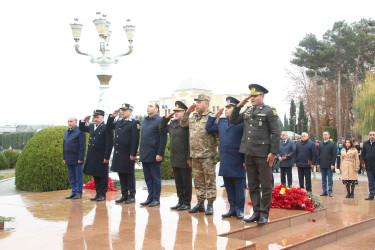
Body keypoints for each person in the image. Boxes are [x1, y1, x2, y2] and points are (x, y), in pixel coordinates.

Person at [230, 84, 280, 225]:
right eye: (251, 96)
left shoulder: (269, 111)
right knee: (252, 185)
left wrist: (273, 152)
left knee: (265, 185)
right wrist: (239, 105)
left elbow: (276, 132)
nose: (252, 98)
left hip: (263, 154)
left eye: (255, 96)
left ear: (262, 96)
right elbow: (233, 120)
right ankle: (256, 212)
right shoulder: (247, 111)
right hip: (249, 153)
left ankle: (264, 213)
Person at [206, 97, 246, 220]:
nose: (226, 109)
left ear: (235, 109)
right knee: (228, 186)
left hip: (238, 158)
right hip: (225, 158)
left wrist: (245, 159)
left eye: (229, 107)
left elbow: (245, 141)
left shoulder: (242, 122)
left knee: (239, 186)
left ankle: (240, 209)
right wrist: (214, 116)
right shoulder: (222, 121)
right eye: (226, 107)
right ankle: (232, 208)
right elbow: (209, 128)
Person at [180, 94, 218, 215]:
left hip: (208, 155)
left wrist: (218, 154)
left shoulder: (213, 117)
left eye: (199, 102)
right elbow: (183, 124)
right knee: (198, 180)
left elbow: (218, 137)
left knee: (210, 181)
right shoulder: (193, 116)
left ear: (206, 104)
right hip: (195, 155)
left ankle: (210, 204)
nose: (196, 104)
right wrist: (187, 112)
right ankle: (200, 203)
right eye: (196, 102)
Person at [159, 101, 192, 211]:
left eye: (178, 111)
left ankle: (187, 202)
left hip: (184, 158)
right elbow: (162, 128)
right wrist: (167, 118)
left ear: (184, 113)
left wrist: (189, 158)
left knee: (185, 182)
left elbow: (189, 142)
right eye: (175, 111)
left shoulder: (187, 124)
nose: (176, 113)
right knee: (178, 182)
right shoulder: (173, 124)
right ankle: (180, 201)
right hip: (174, 157)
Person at [107, 103, 140, 204]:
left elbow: (135, 139)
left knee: (129, 175)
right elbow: (108, 126)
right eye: (122, 110)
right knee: (121, 174)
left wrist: (133, 154)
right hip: (118, 153)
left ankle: (132, 196)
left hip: (127, 154)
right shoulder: (119, 121)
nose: (123, 112)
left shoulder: (134, 123)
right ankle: (124, 195)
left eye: (125, 110)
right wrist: (112, 117)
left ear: (130, 111)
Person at [79, 110, 113, 201]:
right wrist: (83, 120)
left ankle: (102, 194)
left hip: (101, 155)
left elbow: (109, 143)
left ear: (102, 117)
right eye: (95, 117)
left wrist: (107, 156)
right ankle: (98, 193)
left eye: (98, 117)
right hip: (93, 155)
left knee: (103, 175)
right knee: (95, 175)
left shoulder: (106, 127)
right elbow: (81, 128)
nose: (96, 119)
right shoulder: (91, 126)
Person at [139, 103, 167, 207]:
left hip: (154, 154)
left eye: (150, 106)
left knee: (155, 178)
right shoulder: (145, 120)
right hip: (145, 154)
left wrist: (160, 153)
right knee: (148, 178)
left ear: (156, 109)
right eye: (147, 106)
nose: (147, 107)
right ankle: (150, 197)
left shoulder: (160, 120)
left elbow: (163, 138)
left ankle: (156, 198)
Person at [63, 117, 86, 199]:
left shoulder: (80, 131)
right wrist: (64, 157)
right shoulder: (66, 131)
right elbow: (64, 145)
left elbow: (82, 146)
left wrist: (81, 158)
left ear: (76, 122)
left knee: (78, 176)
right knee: (72, 176)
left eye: (71, 121)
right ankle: (73, 192)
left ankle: (79, 193)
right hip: (69, 158)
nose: (69, 123)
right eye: (68, 121)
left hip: (77, 159)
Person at [317, 131, 337, 197]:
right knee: (323, 179)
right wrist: (318, 163)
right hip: (322, 164)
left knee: (330, 178)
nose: (324, 136)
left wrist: (333, 164)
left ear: (329, 135)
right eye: (323, 135)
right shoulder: (321, 144)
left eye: (326, 135)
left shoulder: (332, 144)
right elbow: (319, 154)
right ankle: (324, 191)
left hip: (329, 164)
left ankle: (330, 191)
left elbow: (334, 155)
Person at [361, 131, 375, 200]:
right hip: (369, 166)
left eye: (373, 135)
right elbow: (363, 154)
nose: (372, 136)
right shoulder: (365, 144)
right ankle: (371, 194)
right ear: (369, 136)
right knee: (371, 181)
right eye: (370, 135)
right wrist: (362, 161)